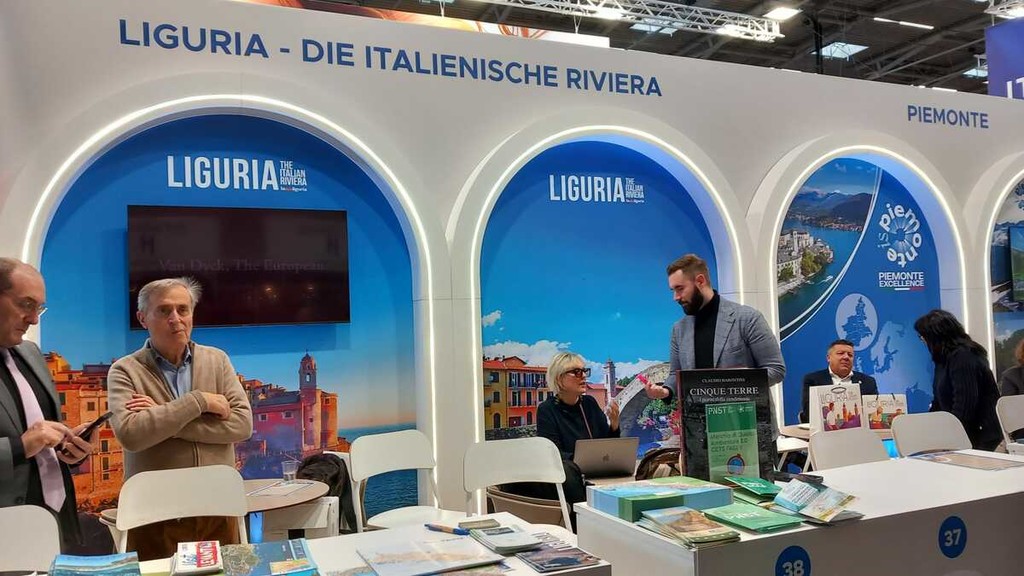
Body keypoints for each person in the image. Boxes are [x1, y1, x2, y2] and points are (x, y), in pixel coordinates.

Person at [108, 277, 253, 560]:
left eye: (182, 309)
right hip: (154, 516)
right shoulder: (125, 370)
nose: (176, 319)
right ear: (142, 318)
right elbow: (131, 434)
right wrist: (199, 401)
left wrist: (165, 419)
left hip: (217, 510)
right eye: (164, 310)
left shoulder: (217, 360)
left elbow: (241, 425)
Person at [0, 258, 97, 550]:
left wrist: (70, 449)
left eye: (39, 308)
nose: (34, 319)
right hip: (9, 533)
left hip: (58, 520)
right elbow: (28, 442)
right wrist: (20, 447)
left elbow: (44, 439)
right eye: (26, 304)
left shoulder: (30, 353)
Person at [642, 254, 786, 435]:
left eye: (680, 289)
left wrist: (728, 385)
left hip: (748, 429)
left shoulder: (748, 318)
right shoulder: (679, 330)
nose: (675, 297)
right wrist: (665, 391)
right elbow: (675, 375)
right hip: (700, 434)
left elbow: (776, 370)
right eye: (673, 290)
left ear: (700, 281)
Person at [509, 352, 620, 531]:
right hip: (569, 478)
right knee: (568, 471)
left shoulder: (589, 404)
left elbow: (606, 448)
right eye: (576, 372)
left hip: (597, 472)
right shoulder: (547, 410)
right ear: (559, 379)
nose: (583, 376)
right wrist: (581, 460)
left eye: (584, 371)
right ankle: (584, 531)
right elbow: (552, 453)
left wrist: (614, 425)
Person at [913, 309, 1001, 451]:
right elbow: (938, 402)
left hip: (980, 438)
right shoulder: (943, 359)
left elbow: (965, 406)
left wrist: (948, 439)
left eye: (922, 336)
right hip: (961, 436)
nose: (922, 340)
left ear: (935, 336)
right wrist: (928, 429)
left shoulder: (964, 357)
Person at [799, 338, 878, 423]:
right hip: (826, 428)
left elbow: (873, 411)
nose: (846, 357)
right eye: (840, 353)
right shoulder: (813, 379)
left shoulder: (868, 381)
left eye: (850, 355)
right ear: (828, 358)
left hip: (859, 429)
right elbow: (809, 412)